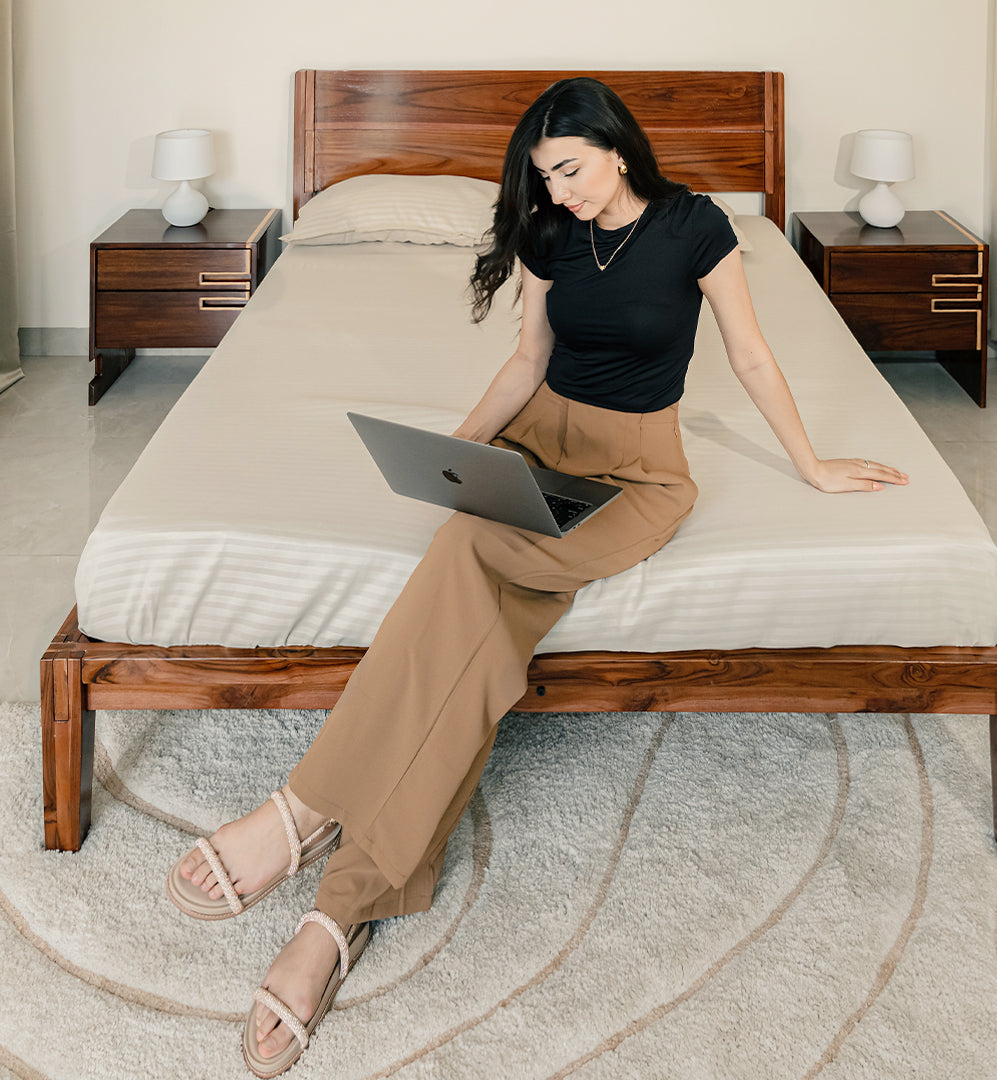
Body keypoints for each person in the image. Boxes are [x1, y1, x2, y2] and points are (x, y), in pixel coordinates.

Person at [167, 76, 909, 1076]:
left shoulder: (697, 227)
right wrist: (449, 456)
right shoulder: (552, 236)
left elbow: (754, 357)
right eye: (540, 178)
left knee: (468, 554)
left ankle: (300, 811)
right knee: (479, 639)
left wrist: (815, 466)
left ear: (615, 146)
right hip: (537, 444)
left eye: (567, 168)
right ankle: (344, 911)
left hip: (640, 473)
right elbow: (527, 362)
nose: (556, 193)